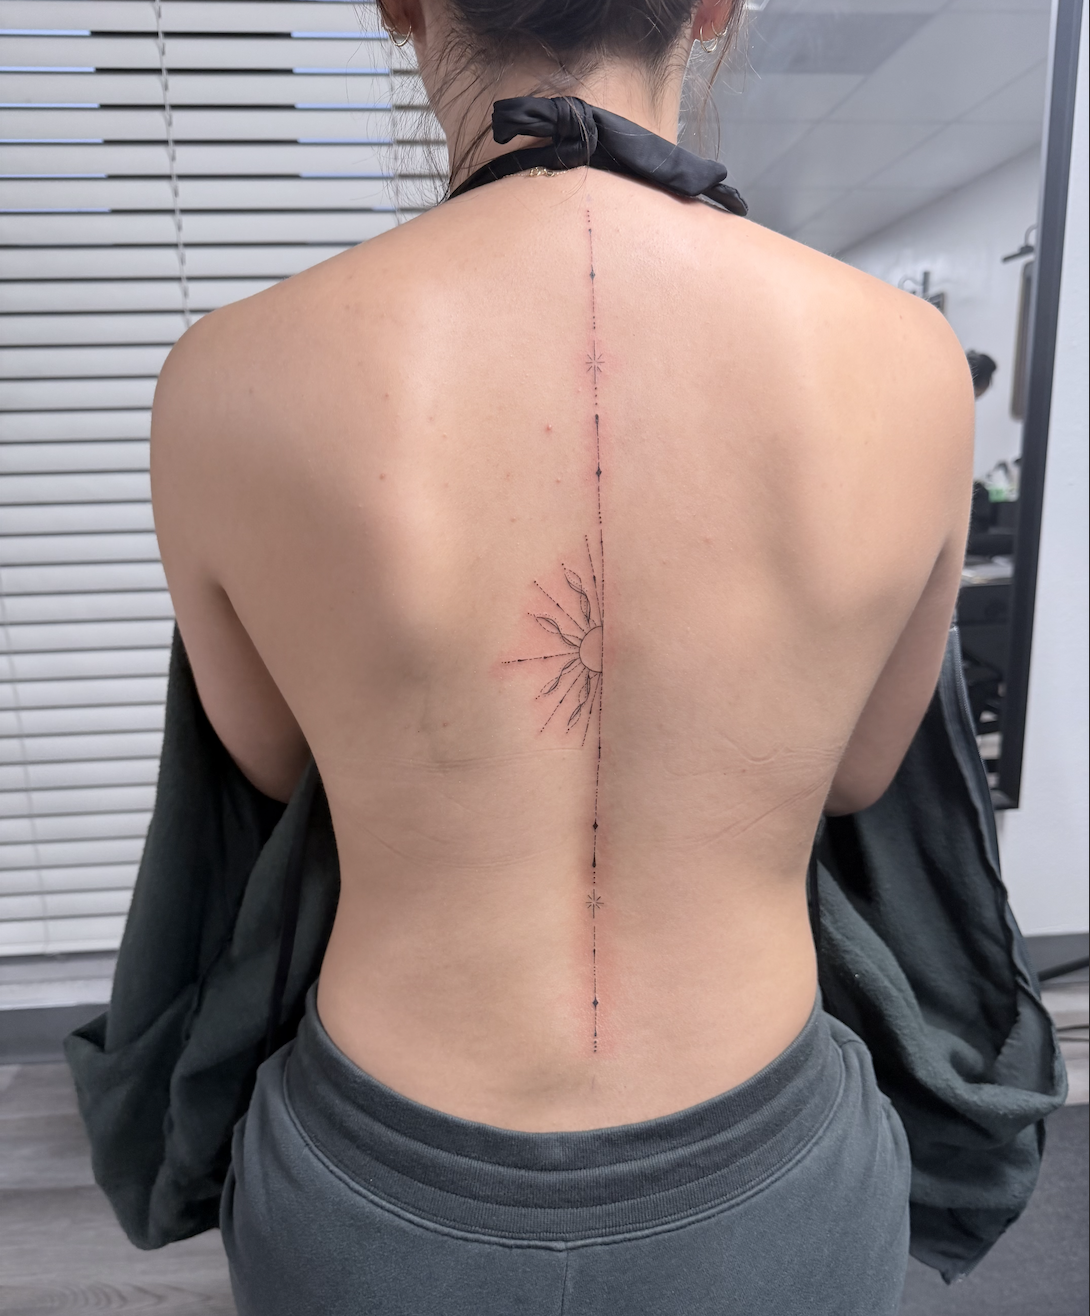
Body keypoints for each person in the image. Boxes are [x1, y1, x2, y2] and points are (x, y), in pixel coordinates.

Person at [148, 0, 974, 1310]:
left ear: (400, 6)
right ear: (716, 7)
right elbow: (863, 775)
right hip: (768, 1179)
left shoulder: (225, 375)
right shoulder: (910, 360)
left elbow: (269, 759)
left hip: (377, 1192)